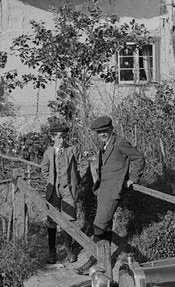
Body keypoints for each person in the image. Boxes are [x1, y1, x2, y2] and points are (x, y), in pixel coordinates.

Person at [77, 115, 145, 276]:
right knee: (104, 226)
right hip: (103, 189)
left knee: (99, 225)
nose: (102, 134)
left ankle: (94, 259)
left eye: (105, 131)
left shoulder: (120, 142)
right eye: (99, 132)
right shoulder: (105, 145)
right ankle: (103, 262)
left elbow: (139, 158)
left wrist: (132, 178)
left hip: (113, 190)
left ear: (111, 129)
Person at [41, 121, 81, 268]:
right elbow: (44, 169)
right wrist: (51, 181)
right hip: (53, 191)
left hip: (68, 189)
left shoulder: (72, 150)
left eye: (64, 137)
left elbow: (82, 165)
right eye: (58, 137)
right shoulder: (48, 152)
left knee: (69, 219)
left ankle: (69, 250)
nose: (61, 140)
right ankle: (52, 251)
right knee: (52, 220)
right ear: (53, 138)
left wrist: (76, 180)